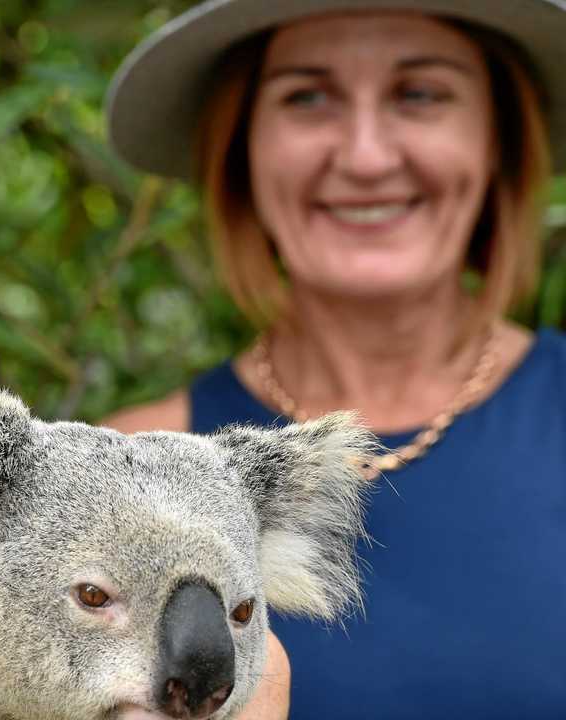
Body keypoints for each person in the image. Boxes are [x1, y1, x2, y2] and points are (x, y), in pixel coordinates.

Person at [102, 1, 566, 718]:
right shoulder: (132, 472)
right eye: (307, 96)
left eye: (421, 93)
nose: (366, 156)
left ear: (498, 137)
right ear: (242, 147)